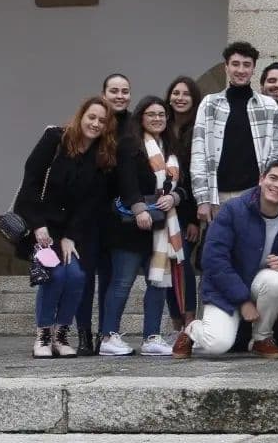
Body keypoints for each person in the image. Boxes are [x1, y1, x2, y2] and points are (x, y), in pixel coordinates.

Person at [15, 97, 117, 358]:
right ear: (81, 116)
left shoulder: (100, 156)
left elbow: (89, 203)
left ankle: (61, 336)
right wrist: (38, 225)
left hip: (68, 231)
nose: (95, 124)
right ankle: (43, 336)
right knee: (55, 275)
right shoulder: (55, 139)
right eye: (91, 117)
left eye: (102, 121)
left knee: (77, 277)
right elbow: (30, 184)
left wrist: (71, 236)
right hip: (39, 225)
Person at [172, 160, 278, 359]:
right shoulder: (233, 210)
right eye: (273, 178)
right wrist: (243, 300)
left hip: (259, 283)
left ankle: (261, 338)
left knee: (276, 282)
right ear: (261, 179)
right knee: (217, 345)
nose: (277, 185)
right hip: (224, 288)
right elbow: (213, 260)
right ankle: (191, 330)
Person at [99, 97, 185, 357]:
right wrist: (139, 209)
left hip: (161, 228)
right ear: (141, 117)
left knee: (158, 283)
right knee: (122, 281)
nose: (157, 118)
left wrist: (175, 197)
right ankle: (108, 336)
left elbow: (184, 185)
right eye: (151, 114)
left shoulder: (171, 147)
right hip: (130, 227)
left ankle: (151, 337)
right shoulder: (130, 144)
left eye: (162, 114)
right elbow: (126, 181)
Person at [191, 42, 278, 224]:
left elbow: (277, 154)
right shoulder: (209, 104)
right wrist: (203, 199)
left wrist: (268, 193)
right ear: (226, 67)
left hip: (254, 194)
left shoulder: (269, 106)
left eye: (246, 65)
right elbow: (199, 154)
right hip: (218, 196)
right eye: (235, 64)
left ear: (254, 68)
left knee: (251, 250)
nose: (241, 70)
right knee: (219, 250)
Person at [75, 72, 131, 354]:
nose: (120, 96)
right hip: (87, 218)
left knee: (109, 280)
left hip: (117, 220)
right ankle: (84, 335)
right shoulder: (93, 126)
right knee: (84, 280)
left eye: (124, 91)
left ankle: (106, 333)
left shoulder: (133, 127)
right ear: (104, 94)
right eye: (114, 91)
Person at [165, 76, 202, 333]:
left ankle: (189, 318)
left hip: (187, 211)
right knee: (167, 265)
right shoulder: (159, 128)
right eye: (176, 93)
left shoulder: (198, 129)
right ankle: (176, 322)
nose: (180, 97)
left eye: (186, 94)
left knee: (184, 262)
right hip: (163, 211)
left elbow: (195, 177)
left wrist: (194, 219)